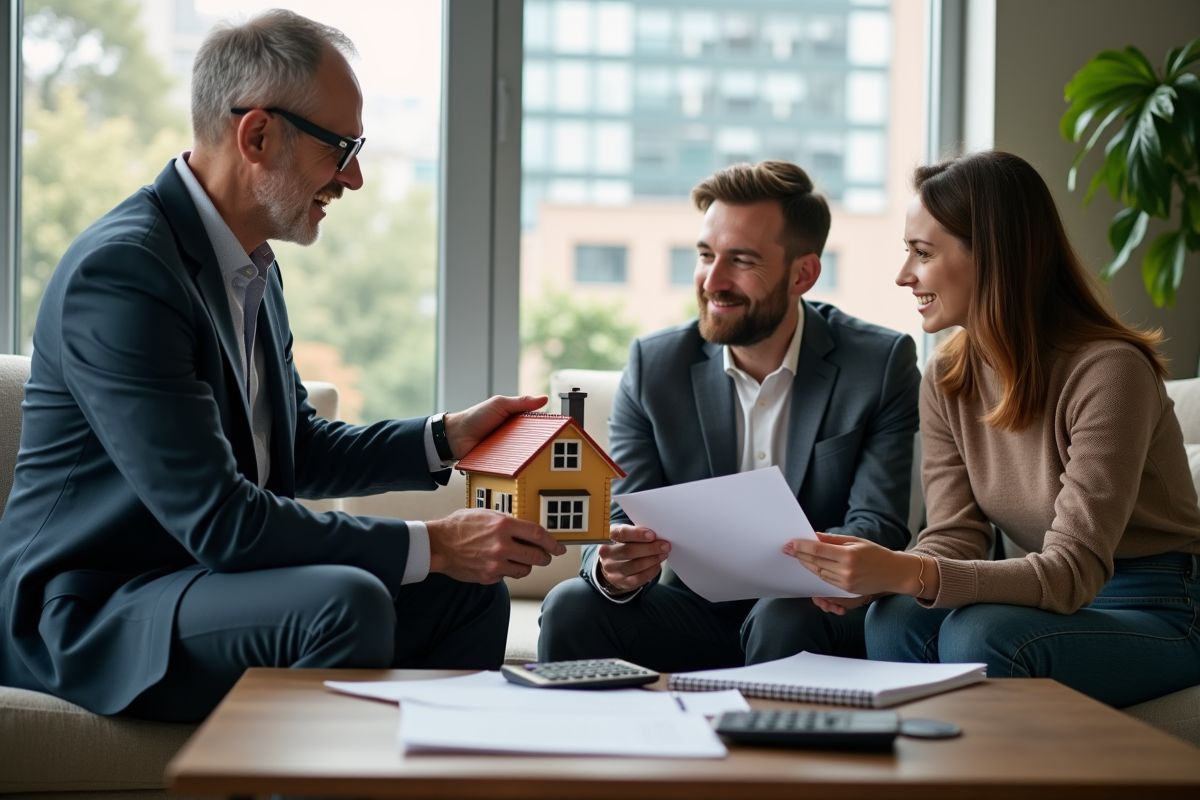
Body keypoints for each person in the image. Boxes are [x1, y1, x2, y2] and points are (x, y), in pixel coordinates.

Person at [0, 10, 566, 723]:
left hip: (197, 584)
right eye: (342, 147)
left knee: (467, 590)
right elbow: (222, 521)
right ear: (258, 135)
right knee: (344, 601)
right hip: (95, 612)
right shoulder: (125, 273)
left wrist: (447, 438)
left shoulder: (249, 267)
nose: (354, 177)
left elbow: (291, 447)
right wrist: (434, 542)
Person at [785, 150, 1200, 707]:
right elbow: (955, 536)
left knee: (978, 635)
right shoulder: (948, 376)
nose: (904, 275)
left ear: (995, 257)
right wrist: (885, 579)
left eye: (922, 253)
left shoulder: (1109, 372)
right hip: (1049, 593)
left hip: (1157, 604)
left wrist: (908, 570)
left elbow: (1071, 571)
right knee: (891, 618)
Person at [538, 160, 921, 670]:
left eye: (741, 260)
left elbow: (876, 523)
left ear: (802, 273)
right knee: (573, 604)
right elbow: (622, 514)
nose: (712, 280)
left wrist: (812, 571)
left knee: (783, 617)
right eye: (704, 255)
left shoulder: (878, 363)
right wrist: (613, 566)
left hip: (813, 610)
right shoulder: (655, 366)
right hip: (695, 613)